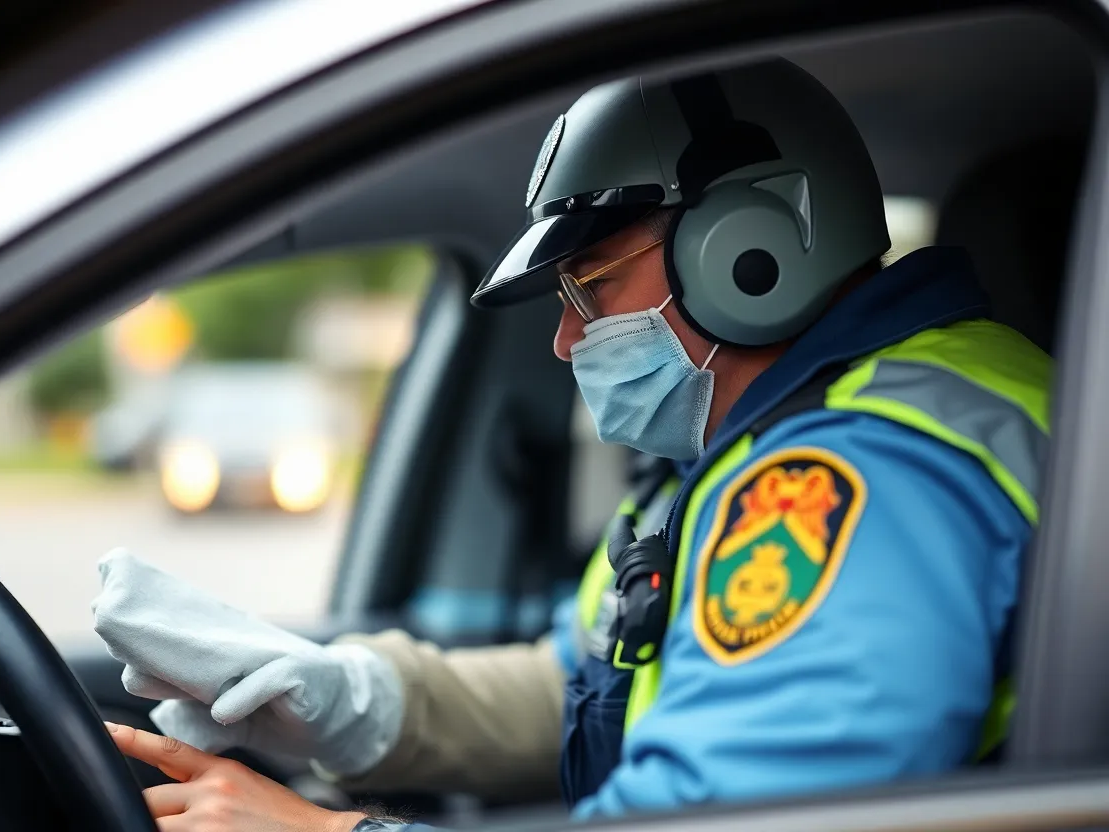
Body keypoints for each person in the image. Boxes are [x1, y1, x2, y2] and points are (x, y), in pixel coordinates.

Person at [92, 56, 1051, 832]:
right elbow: (584, 677)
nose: (563, 340)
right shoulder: (733, 459)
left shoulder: (858, 475)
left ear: (750, 252)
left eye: (588, 285)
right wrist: (349, 698)